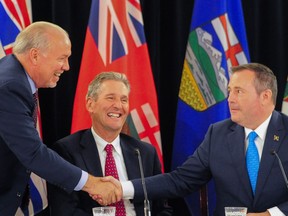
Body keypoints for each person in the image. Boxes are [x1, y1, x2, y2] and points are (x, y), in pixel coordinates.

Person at [100, 63, 288, 216]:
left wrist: (272, 214)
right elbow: (180, 180)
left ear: (265, 96)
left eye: (238, 91)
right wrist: (122, 188)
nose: (230, 98)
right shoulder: (218, 134)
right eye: (230, 91)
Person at [0, 21, 119, 215]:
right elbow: (33, 153)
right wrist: (92, 184)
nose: (67, 67)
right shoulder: (10, 87)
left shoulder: (14, 75)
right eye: (62, 58)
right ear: (35, 55)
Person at [48, 72, 173, 216]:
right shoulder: (66, 151)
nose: (118, 106)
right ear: (90, 104)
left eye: (124, 100)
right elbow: (65, 211)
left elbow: (163, 209)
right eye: (110, 98)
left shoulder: (144, 153)